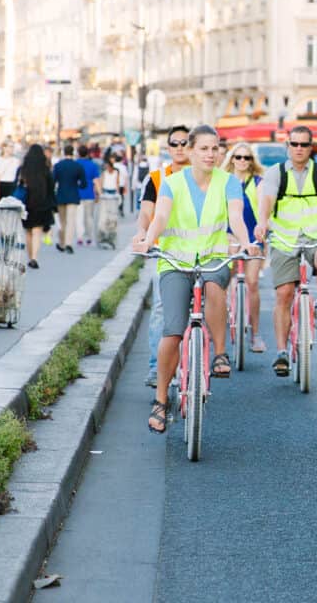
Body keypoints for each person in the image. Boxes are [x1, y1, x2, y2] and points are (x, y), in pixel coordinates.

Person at [131, 125, 254, 433]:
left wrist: (247, 241)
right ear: (190, 150)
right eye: (204, 148)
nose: (210, 154)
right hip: (175, 262)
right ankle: (161, 400)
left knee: (215, 287)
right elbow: (160, 217)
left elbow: (236, 217)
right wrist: (148, 239)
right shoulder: (171, 184)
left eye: (215, 148)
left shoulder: (229, 183)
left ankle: (220, 354)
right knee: (172, 331)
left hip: (213, 257)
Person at [254, 124, 317, 376]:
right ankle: (282, 352)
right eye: (294, 144)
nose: (299, 149)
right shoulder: (276, 173)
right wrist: (262, 222)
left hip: (316, 235)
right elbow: (267, 200)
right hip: (284, 237)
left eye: (304, 144)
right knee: (284, 293)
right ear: (288, 146)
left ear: (310, 147)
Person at [135, 126, 193, 387]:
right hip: (167, 252)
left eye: (185, 142)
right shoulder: (157, 178)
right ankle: (155, 367)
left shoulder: (205, 177)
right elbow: (147, 213)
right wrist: (141, 234)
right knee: (161, 308)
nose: (180, 147)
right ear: (168, 148)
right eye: (175, 143)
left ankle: (205, 358)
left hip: (200, 250)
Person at [225, 141, 268, 353]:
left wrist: (262, 229)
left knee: (252, 282)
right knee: (221, 280)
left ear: (252, 161)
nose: (242, 161)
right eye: (238, 157)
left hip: (253, 236)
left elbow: (262, 207)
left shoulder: (258, 181)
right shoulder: (223, 180)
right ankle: (221, 319)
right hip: (228, 235)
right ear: (232, 159)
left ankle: (255, 334)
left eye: (247, 157)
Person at [16, 144, 56, 269]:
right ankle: (34, 257)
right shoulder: (45, 170)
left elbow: (16, 185)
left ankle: (29, 257)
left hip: (26, 204)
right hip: (41, 204)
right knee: (37, 231)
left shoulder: (23, 169)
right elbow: (51, 188)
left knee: (28, 231)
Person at [52, 144, 86, 253]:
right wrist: (77, 185)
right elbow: (84, 183)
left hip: (61, 195)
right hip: (73, 195)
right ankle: (68, 243)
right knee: (71, 220)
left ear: (64, 152)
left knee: (62, 221)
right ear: (73, 153)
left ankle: (61, 243)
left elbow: (53, 181)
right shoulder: (78, 166)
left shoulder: (58, 166)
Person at [75, 145, 100, 247]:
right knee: (89, 217)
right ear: (87, 153)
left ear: (78, 153)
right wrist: (99, 193)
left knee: (79, 217)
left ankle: (80, 237)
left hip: (77, 193)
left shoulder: (75, 164)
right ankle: (89, 237)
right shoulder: (92, 165)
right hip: (90, 193)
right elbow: (96, 181)